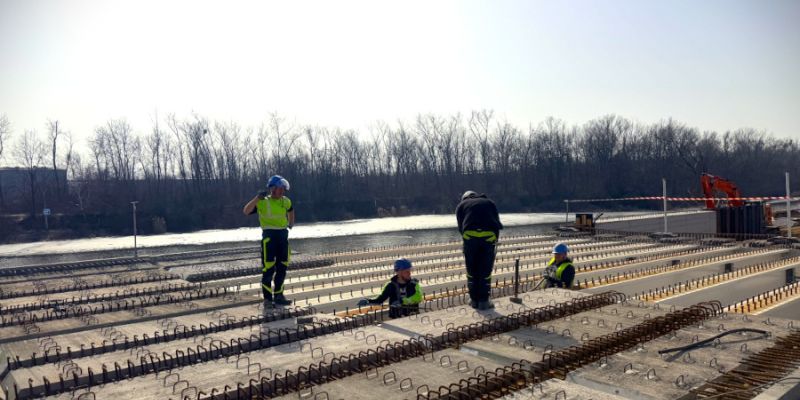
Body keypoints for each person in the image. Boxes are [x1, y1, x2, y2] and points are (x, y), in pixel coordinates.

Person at [243, 175, 295, 307]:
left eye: (283, 189)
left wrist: (291, 223)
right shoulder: (262, 202)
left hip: (283, 235)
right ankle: (267, 299)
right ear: (272, 188)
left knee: (282, 267)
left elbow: (291, 211)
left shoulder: (286, 201)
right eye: (280, 189)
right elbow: (246, 211)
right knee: (268, 268)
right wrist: (256, 198)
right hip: (269, 237)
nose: (282, 191)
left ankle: (279, 295)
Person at [456, 191, 503, 310]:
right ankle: (484, 301)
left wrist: (468, 240)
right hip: (488, 237)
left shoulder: (461, 205)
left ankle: (474, 300)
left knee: (471, 270)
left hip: (470, 237)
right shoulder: (489, 202)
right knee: (485, 270)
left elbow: (461, 227)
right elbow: (496, 222)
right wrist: (494, 240)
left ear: (464, 198)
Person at [357, 258, 423, 318]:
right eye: (406, 271)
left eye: (410, 271)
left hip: (413, 317)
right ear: (399, 272)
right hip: (396, 319)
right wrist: (368, 301)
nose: (409, 274)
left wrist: (402, 301)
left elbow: (419, 297)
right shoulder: (390, 285)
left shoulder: (414, 283)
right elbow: (380, 300)